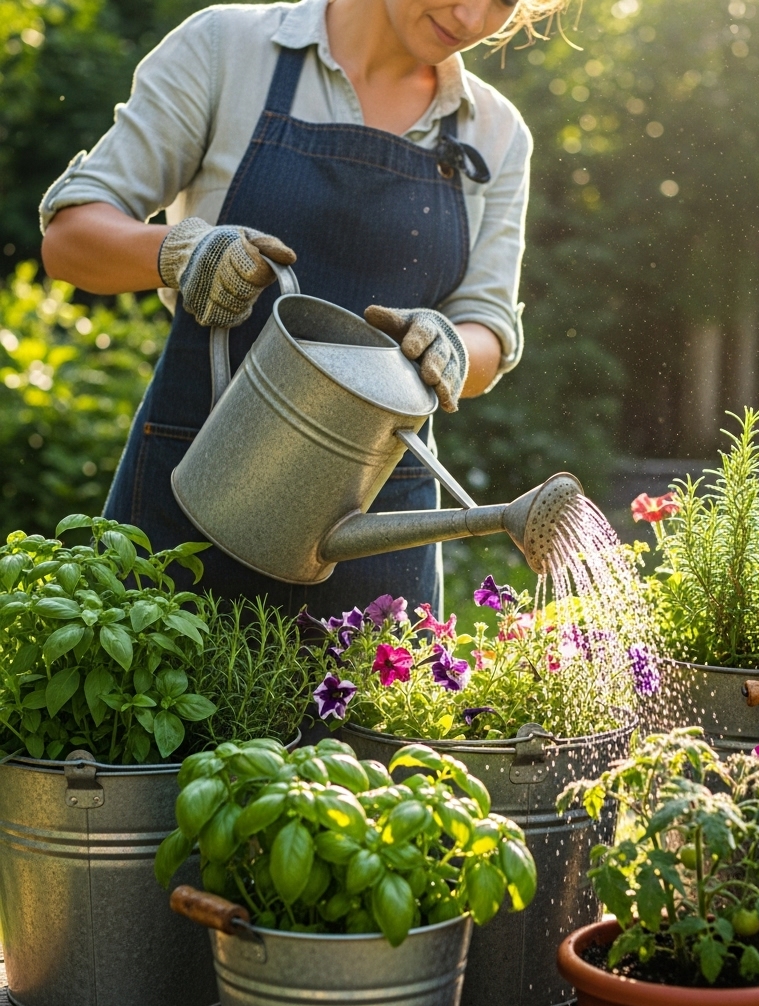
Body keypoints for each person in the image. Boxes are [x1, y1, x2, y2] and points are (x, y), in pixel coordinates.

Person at [40, 0, 564, 616]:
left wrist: (451, 345)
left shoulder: (495, 131)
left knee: (365, 718)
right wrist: (181, 252)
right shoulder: (229, 49)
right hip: (195, 488)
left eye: (504, 1)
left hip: (378, 518)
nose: (473, 17)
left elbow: (489, 333)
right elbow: (70, 239)